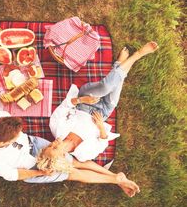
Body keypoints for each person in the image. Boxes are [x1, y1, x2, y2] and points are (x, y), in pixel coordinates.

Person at [0, 107, 140, 197]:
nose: (19, 134)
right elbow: (17, 174)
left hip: (35, 144)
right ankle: (116, 180)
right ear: (7, 141)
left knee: (75, 162)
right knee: (73, 174)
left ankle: (116, 176)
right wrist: (41, 172)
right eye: (16, 135)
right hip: (33, 167)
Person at [37, 41, 159, 170]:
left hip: (84, 102)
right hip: (104, 112)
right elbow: (103, 143)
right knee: (114, 91)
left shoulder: (55, 127)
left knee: (106, 87)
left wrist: (82, 99)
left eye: (49, 146)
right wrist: (101, 127)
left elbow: (65, 105)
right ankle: (118, 65)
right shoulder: (83, 155)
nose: (53, 143)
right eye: (55, 148)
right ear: (62, 156)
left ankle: (137, 55)